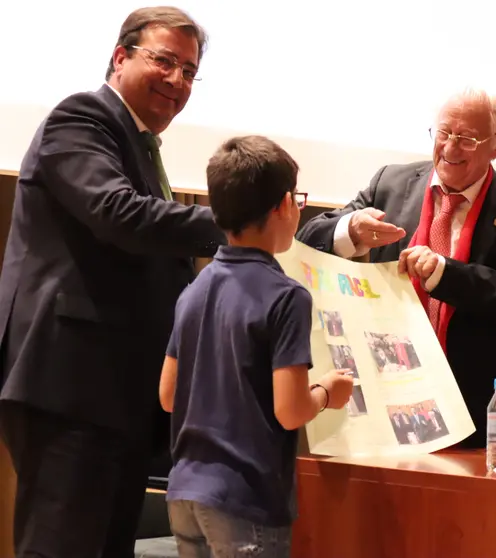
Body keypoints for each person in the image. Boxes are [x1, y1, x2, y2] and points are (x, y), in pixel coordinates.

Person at [0, 7, 225, 557]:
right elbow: (121, 215)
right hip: (71, 388)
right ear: (120, 56)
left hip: (117, 397)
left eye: (190, 71)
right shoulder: (82, 118)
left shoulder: (140, 144)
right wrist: (247, 221)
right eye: (165, 61)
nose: (178, 81)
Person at [297, 88, 496, 447]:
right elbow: (307, 239)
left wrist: (445, 274)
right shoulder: (390, 184)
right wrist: (349, 230)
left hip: (473, 411)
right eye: (445, 133)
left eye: (466, 139)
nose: (449, 148)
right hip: (381, 400)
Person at [158, 135, 354, 557]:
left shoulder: (195, 288)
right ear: (284, 205)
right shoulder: (287, 296)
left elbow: (168, 395)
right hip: (245, 500)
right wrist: (326, 393)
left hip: (185, 491)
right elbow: (290, 410)